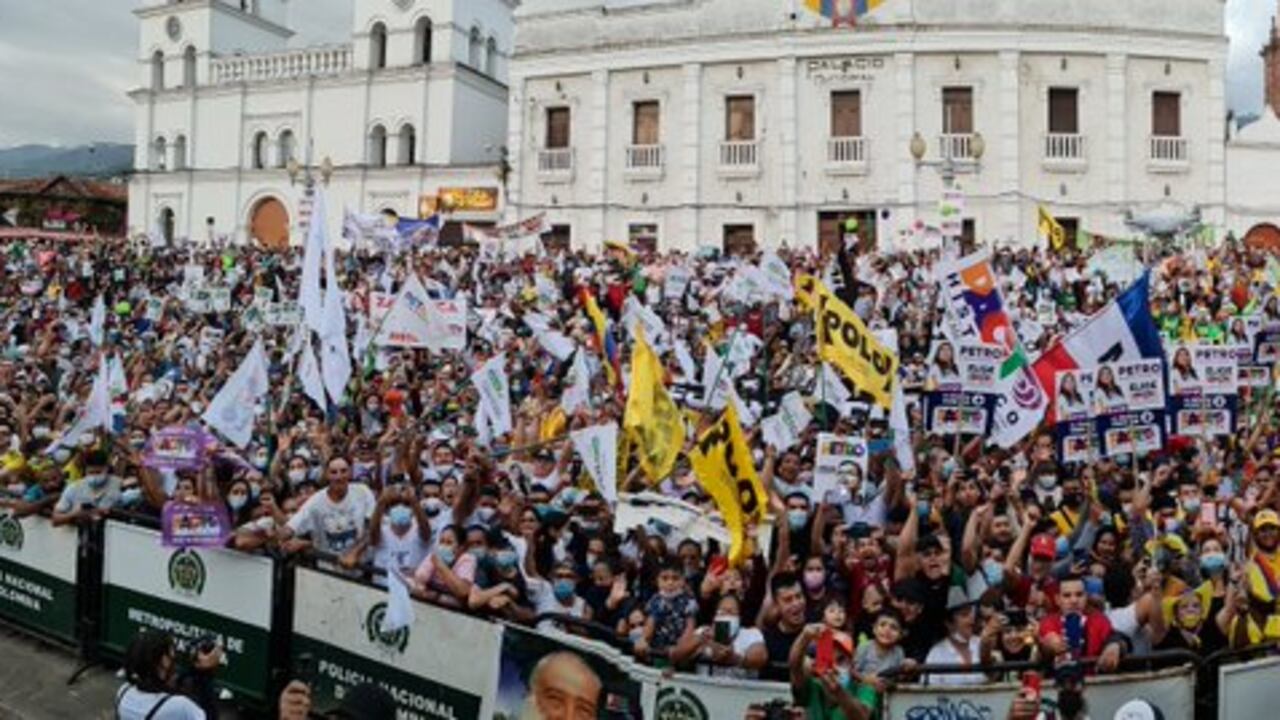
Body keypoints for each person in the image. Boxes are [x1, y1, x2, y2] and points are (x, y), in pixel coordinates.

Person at [115, 630, 221, 720]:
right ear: (164, 660)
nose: (175, 658)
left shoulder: (123, 692)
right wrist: (206, 674)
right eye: (172, 653)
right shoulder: (181, 706)